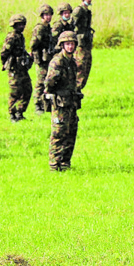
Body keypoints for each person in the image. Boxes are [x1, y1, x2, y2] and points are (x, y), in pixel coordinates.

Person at [45, 30, 80, 171]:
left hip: (71, 103)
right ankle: (54, 165)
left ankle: (65, 163)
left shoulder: (72, 61)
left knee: (71, 132)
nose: (70, 47)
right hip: (60, 103)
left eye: (72, 44)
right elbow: (49, 82)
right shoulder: (58, 61)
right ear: (62, 45)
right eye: (67, 44)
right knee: (59, 133)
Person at [1, 14, 32, 122]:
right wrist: (6, 64)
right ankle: (12, 114)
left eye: (23, 24)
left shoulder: (20, 36)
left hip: (22, 68)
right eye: (19, 24)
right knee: (15, 92)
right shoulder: (12, 37)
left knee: (27, 89)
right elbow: (4, 52)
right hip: (14, 68)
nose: (22, 26)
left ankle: (20, 112)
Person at [30, 4, 54, 114]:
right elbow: (33, 44)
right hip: (41, 58)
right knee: (40, 82)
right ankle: (38, 105)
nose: (48, 17)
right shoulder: (40, 28)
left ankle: (46, 104)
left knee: (48, 80)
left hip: (48, 57)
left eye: (49, 15)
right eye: (46, 15)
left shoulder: (48, 27)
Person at [75, 0, 95, 91]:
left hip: (86, 43)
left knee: (87, 66)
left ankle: (79, 89)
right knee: (80, 67)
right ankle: (75, 90)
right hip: (80, 44)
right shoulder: (79, 10)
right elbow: (71, 24)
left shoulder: (87, 11)